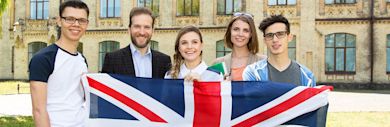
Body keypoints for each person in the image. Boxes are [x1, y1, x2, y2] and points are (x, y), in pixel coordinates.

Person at [29, 1, 90, 126]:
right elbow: (39, 110)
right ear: (59, 21)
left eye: (81, 20)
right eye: (70, 19)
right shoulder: (43, 59)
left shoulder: (82, 59)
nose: (76, 24)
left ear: (87, 24)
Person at [242, 15, 316, 87]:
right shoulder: (253, 73)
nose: (275, 40)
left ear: (289, 37)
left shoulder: (307, 76)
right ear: (265, 40)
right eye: (270, 35)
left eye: (280, 34)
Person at [102, 7, 171, 78]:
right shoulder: (112, 60)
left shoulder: (164, 61)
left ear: (153, 30)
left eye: (147, 27)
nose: (142, 32)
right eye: (137, 26)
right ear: (129, 29)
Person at [212, 12, 266, 81]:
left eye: (245, 30)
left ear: (251, 34)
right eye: (236, 29)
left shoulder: (262, 62)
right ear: (230, 31)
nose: (240, 34)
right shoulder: (218, 64)